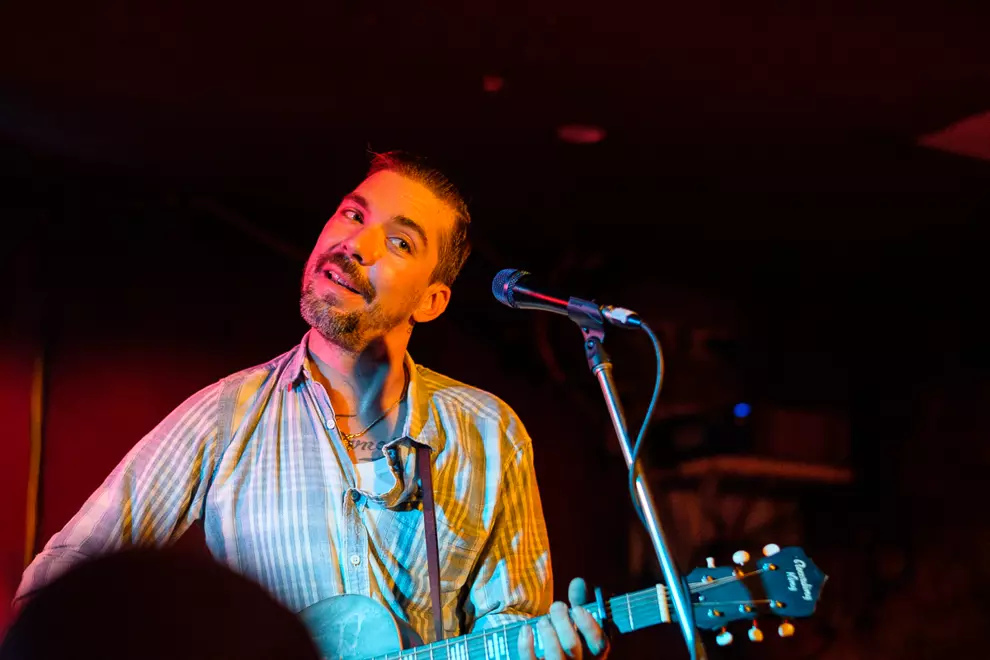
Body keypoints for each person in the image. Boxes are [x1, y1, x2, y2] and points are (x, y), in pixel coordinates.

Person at [14, 151, 609, 660]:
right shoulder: (227, 415)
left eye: (399, 242)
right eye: (353, 214)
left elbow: (511, 628)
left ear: (430, 302)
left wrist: (552, 648)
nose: (356, 244)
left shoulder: (487, 431)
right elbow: (59, 580)